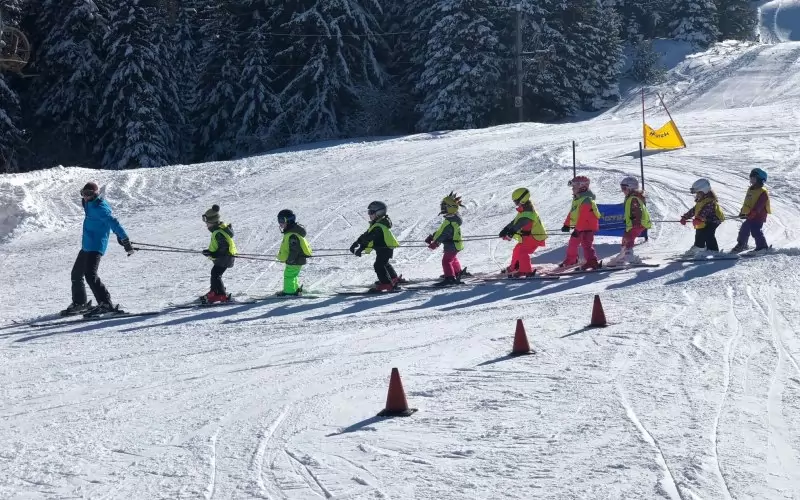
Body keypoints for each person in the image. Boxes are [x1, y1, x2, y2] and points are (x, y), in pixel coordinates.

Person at [63, 182, 134, 316]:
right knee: (76, 274)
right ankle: (80, 303)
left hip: (96, 246)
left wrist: (124, 239)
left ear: (96, 194)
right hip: (86, 245)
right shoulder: (87, 204)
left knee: (90, 275)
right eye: (84, 193)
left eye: (89, 194)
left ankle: (106, 304)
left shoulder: (100, 207)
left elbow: (114, 223)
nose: (86, 197)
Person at [350, 201, 401, 292]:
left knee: (378, 265)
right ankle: (393, 278)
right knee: (384, 264)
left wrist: (361, 248)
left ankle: (386, 284)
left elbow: (370, 238)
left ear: (379, 213)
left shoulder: (379, 226)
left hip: (384, 248)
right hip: (383, 248)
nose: (369, 214)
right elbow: (366, 235)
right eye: (369, 212)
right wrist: (356, 243)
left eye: (371, 212)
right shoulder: (376, 224)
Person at [498, 188, 547, 277]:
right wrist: (506, 229)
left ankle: (525, 270)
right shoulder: (524, 209)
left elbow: (521, 223)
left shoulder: (528, 212)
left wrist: (511, 233)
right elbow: (515, 222)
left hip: (534, 237)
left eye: (516, 201)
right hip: (528, 237)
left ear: (523, 199)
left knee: (523, 252)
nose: (515, 204)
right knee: (517, 249)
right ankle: (514, 267)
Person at [559, 176, 601, 270]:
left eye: (574, 187)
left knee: (584, 244)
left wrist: (577, 230)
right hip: (581, 227)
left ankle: (590, 261)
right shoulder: (577, 199)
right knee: (575, 244)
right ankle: (573, 260)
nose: (572, 190)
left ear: (582, 187)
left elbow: (583, 217)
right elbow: (572, 213)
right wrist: (566, 224)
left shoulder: (586, 200)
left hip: (586, 227)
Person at [608, 176, 651, 266]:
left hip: (637, 223)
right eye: (622, 188)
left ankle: (629, 256)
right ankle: (622, 255)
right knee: (625, 238)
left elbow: (637, 210)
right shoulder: (630, 197)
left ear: (631, 188)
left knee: (629, 238)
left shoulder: (634, 198)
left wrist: (635, 222)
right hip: (632, 223)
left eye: (624, 188)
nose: (623, 190)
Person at [426, 192, 465, 286]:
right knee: (453, 259)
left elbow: (443, 234)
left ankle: (450, 278)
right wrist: (432, 236)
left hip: (452, 244)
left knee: (446, 261)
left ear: (450, 207)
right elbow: (441, 231)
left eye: (444, 206)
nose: (442, 208)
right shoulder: (451, 219)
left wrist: (436, 243)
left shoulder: (451, 222)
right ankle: (457, 272)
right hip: (454, 244)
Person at [201, 205, 237, 303]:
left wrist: (213, 254)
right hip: (223, 257)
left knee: (216, 274)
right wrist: (210, 252)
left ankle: (221, 295)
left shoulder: (218, 232)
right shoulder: (220, 229)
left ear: (212, 222)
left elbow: (224, 248)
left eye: (207, 222)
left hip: (225, 258)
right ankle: (214, 291)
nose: (206, 225)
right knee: (215, 273)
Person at [680, 178, 725, 253]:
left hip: (713, 221)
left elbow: (705, 211)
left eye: (698, 193)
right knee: (699, 232)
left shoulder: (710, 201)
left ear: (704, 191)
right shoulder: (700, 201)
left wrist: (699, 218)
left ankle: (712, 250)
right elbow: (694, 210)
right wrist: (685, 217)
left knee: (708, 233)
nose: (697, 195)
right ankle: (699, 247)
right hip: (704, 220)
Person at [732, 168, 771, 253]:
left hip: (759, 216)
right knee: (744, 229)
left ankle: (762, 247)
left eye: (754, 178)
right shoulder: (750, 189)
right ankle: (742, 244)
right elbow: (747, 202)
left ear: (760, 180)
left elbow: (759, 205)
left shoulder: (763, 192)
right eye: (751, 178)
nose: (751, 180)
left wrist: (753, 213)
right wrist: (742, 212)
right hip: (750, 215)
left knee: (756, 230)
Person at [276, 209, 312, 296]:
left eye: (282, 221)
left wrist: (290, 260)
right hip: (296, 260)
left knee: (289, 276)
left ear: (289, 221)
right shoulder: (291, 232)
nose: (280, 223)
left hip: (294, 260)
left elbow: (294, 250)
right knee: (293, 275)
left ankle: (289, 292)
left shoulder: (292, 235)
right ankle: (294, 289)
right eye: (279, 220)